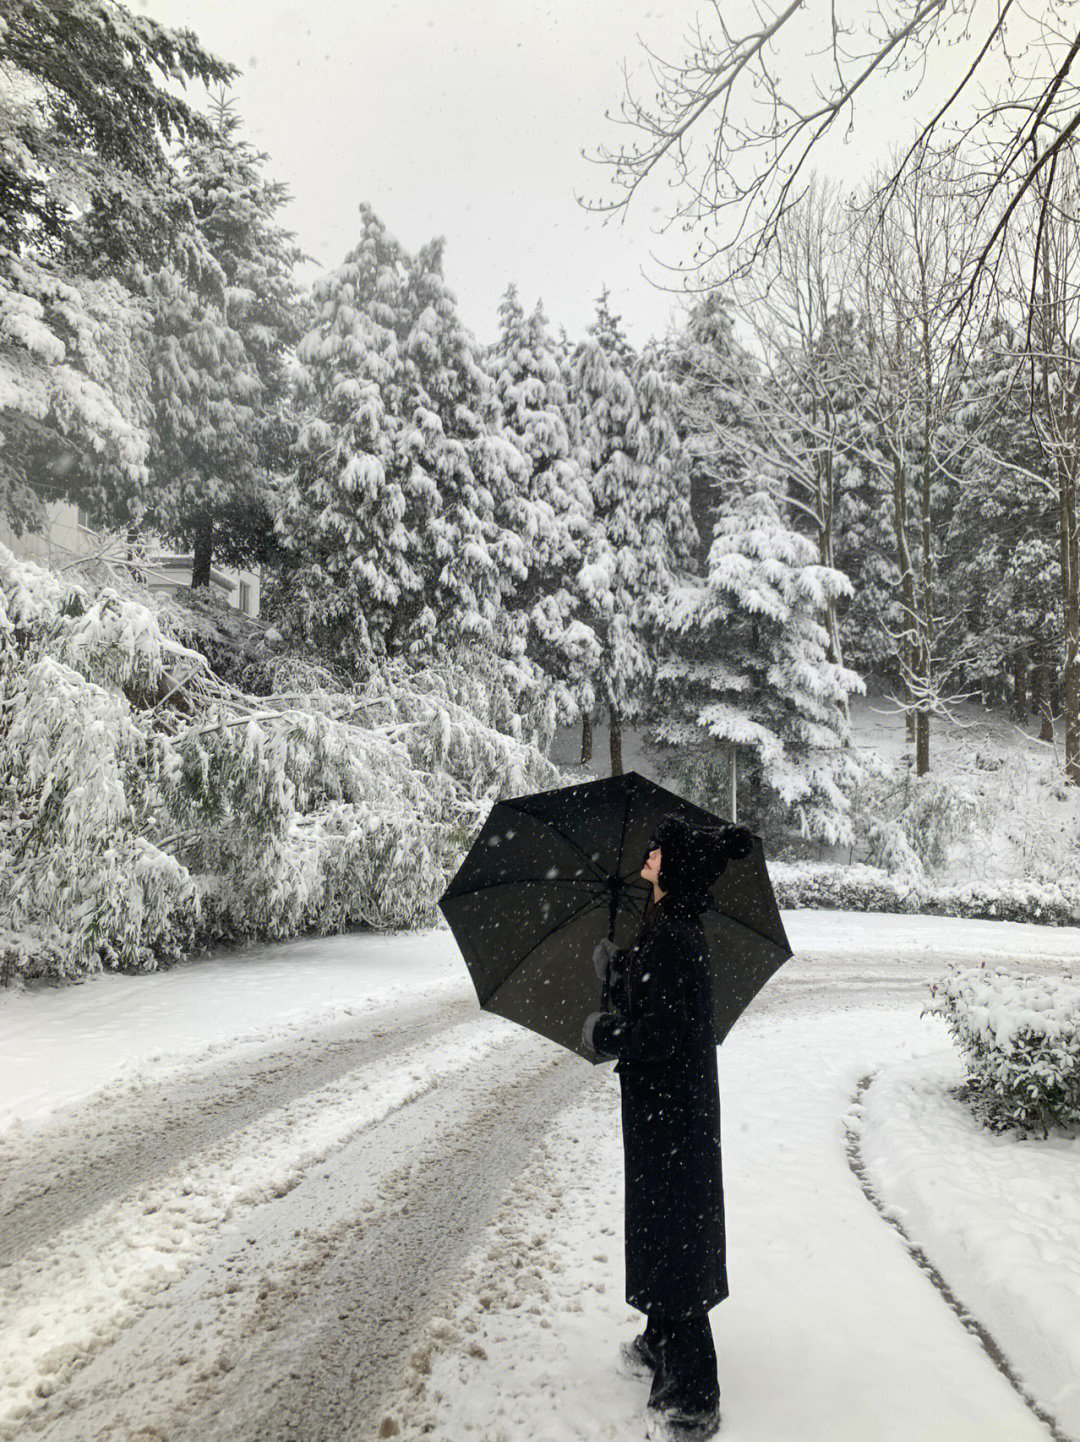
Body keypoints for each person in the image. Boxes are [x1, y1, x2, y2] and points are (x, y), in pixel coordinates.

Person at [581, 813, 752, 1441]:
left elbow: (663, 1032)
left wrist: (609, 1032)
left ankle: (692, 1395)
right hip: (664, 1111)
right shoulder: (665, 921)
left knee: (675, 1233)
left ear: (672, 867)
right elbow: (656, 995)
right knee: (660, 1223)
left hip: (674, 1116)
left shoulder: (677, 934)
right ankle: (660, 1338)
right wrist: (619, 968)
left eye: (659, 849)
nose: (649, 853)